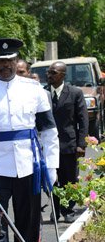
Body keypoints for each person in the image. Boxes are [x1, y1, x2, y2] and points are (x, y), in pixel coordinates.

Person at [0, 38, 59, 242]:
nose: (5, 65)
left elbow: (49, 131)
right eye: (1, 61)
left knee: (28, 223)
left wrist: (52, 167)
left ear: (17, 62)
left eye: (10, 61)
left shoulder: (33, 90)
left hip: (29, 165)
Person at [46, 61, 89, 223]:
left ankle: (68, 210)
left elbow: (83, 119)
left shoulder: (75, 93)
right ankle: (55, 210)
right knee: (52, 179)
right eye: (49, 72)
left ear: (63, 75)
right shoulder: (44, 93)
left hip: (69, 144)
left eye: (53, 72)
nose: (49, 75)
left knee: (70, 179)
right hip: (50, 146)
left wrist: (81, 144)